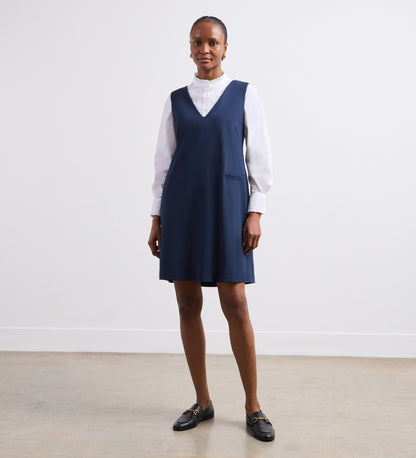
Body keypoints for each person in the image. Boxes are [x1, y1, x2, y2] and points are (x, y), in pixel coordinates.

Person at [148, 15, 275, 442]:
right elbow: (163, 162)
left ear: (225, 47)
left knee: (235, 302)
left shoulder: (244, 94)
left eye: (212, 42)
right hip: (182, 208)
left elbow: (259, 156)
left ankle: (253, 406)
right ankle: (202, 401)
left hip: (228, 206)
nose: (204, 49)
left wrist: (256, 211)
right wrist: (156, 216)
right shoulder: (176, 100)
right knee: (187, 303)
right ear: (189, 48)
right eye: (197, 42)